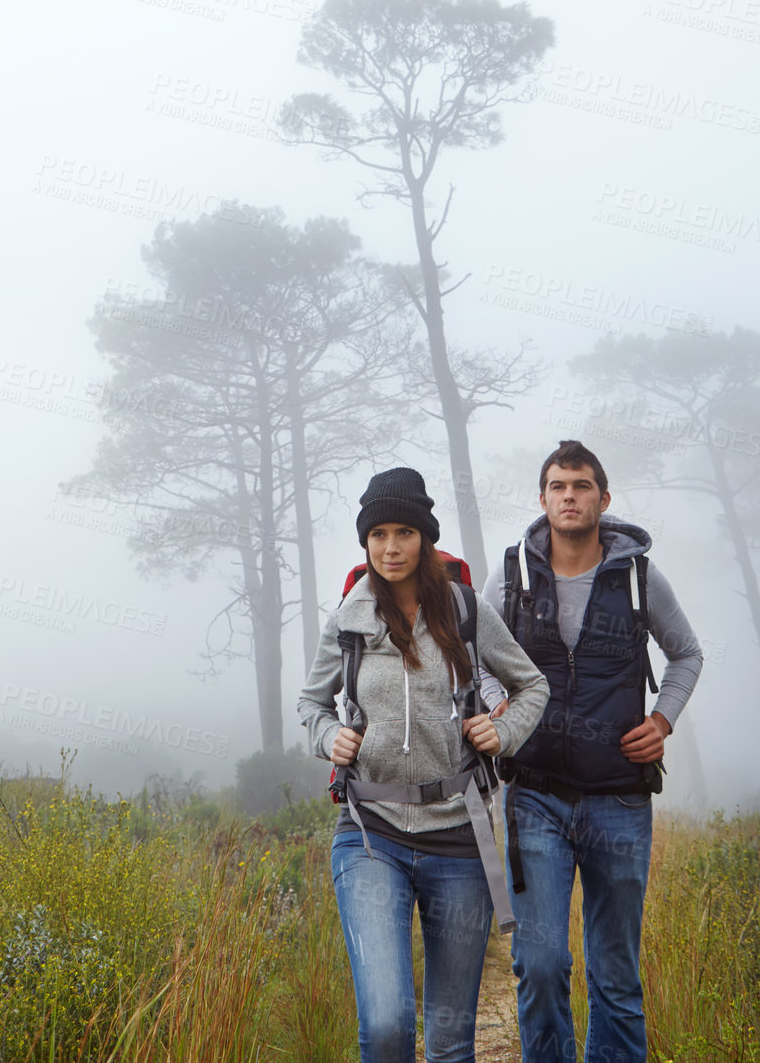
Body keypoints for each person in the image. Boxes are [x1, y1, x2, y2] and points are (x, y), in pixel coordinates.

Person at [298, 466, 549, 1063]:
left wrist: (503, 731)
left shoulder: (465, 611)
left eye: (404, 532)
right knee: (386, 1025)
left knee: (448, 1043)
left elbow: (531, 685)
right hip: (368, 835)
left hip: (460, 839)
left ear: (425, 537)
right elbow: (311, 702)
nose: (390, 547)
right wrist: (328, 733)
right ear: (365, 540)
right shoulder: (348, 621)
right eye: (378, 533)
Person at [482, 438, 703, 1063]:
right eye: (558, 486)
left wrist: (663, 719)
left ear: (603, 500)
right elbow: (479, 658)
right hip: (535, 797)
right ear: (543, 498)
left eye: (581, 487)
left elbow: (686, 653)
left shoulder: (637, 576)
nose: (569, 496)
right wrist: (500, 704)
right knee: (542, 963)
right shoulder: (515, 575)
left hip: (620, 799)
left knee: (615, 977)